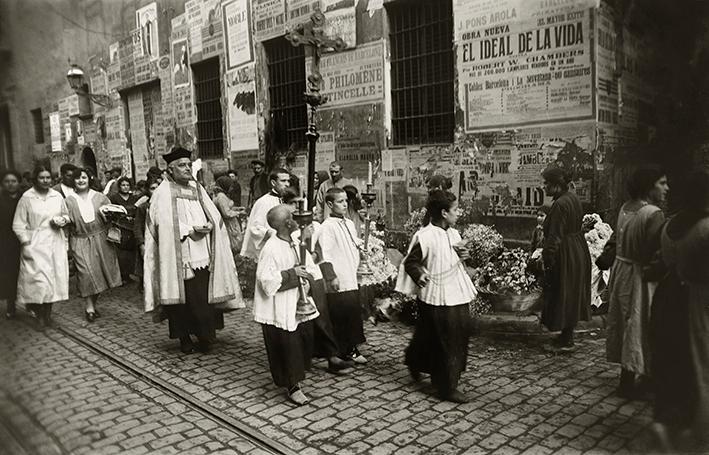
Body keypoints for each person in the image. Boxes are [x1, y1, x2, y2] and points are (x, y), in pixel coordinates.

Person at [143, 147, 244, 354]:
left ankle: (206, 335)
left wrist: (210, 224)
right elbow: (160, 225)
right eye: (182, 165)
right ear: (170, 170)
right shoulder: (163, 192)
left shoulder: (197, 188)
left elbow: (214, 214)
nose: (187, 169)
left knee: (202, 298)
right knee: (182, 301)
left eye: (189, 165)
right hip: (178, 255)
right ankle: (184, 338)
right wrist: (188, 230)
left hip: (203, 252)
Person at [395, 190, 477, 403]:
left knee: (443, 335)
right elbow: (410, 262)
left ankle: (415, 360)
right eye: (455, 210)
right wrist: (420, 274)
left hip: (457, 292)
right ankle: (445, 387)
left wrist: (466, 256)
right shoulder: (425, 236)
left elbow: (460, 260)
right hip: (436, 296)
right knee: (445, 341)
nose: (459, 213)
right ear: (443, 212)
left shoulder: (454, 234)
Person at [651, 170, 709, 452]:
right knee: (699, 361)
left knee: (671, 358)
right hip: (699, 298)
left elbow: (664, 261)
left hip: (669, 294)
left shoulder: (671, 225)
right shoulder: (705, 228)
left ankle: (668, 420)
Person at [606, 167, 669, 398]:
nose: (666, 188)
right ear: (649, 186)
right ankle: (642, 380)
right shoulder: (653, 213)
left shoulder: (625, 208)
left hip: (622, 271)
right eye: (662, 183)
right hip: (640, 275)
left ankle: (627, 378)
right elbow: (653, 252)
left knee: (627, 323)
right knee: (642, 323)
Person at [253, 204, 321, 405]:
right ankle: (292, 386)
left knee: (301, 340)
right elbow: (266, 281)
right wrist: (292, 273)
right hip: (277, 308)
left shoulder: (293, 241)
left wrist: (308, 275)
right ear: (287, 223)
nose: (297, 217)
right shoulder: (271, 248)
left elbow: (309, 266)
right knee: (286, 347)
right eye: (293, 216)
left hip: (296, 303)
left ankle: (297, 376)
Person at [13, 165, 70, 329]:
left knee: (53, 281)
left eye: (48, 178)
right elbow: (18, 224)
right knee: (39, 282)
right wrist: (26, 242)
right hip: (35, 244)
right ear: (35, 179)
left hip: (54, 242)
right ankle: (39, 315)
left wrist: (62, 221)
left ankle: (48, 315)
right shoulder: (27, 198)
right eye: (41, 178)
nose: (45, 181)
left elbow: (66, 215)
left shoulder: (57, 196)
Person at [540, 167, 591, 352]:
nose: (543, 187)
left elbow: (554, 236)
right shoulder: (573, 198)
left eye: (546, 183)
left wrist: (548, 259)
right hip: (578, 248)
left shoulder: (560, 204)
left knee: (562, 291)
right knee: (571, 292)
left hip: (565, 252)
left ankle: (566, 340)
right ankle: (566, 335)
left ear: (556, 185)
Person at [316, 188, 367, 364]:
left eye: (346, 201)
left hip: (350, 275)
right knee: (339, 315)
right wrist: (331, 277)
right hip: (339, 277)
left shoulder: (349, 223)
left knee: (352, 313)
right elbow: (324, 254)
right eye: (340, 201)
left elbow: (352, 243)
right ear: (330, 204)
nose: (345, 204)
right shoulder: (327, 227)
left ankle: (351, 348)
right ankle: (340, 350)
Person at [65, 168, 122, 322]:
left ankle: (93, 304)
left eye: (83, 177)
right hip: (80, 240)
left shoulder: (100, 197)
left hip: (101, 239)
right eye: (77, 178)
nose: (81, 181)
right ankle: (89, 307)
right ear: (73, 181)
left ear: (89, 179)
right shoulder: (68, 201)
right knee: (86, 274)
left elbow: (113, 217)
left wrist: (110, 215)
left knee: (99, 274)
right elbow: (66, 223)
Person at [241, 168, 291, 260]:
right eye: (283, 181)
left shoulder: (286, 200)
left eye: (288, 181)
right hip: (269, 250)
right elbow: (255, 228)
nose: (287, 184)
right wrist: (272, 234)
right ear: (273, 183)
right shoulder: (264, 202)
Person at [0, 171, 22, 318]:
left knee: (26, 272)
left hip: (22, 240)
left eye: (13, 181)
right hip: (5, 241)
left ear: (18, 183)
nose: (10, 184)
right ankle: (11, 304)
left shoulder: (24, 198)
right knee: (9, 273)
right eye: (7, 181)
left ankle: (32, 303)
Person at [110, 177, 138, 282]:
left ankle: (129, 273)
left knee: (131, 252)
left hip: (131, 227)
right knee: (120, 252)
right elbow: (111, 210)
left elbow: (137, 210)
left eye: (127, 185)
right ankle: (121, 275)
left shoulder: (133, 198)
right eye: (123, 185)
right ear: (119, 186)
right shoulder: (114, 198)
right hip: (120, 227)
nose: (125, 187)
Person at [134, 178, 159, 293]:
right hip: (148, 241)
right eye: (152, 188)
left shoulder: (166, 205)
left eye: (157, 188)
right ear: (148, 191)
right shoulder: (143, 207)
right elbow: (137, 227)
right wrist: (141, 244)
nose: (156, 190)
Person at [213, 175, 246, 255]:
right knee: (233, 243)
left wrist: (237, 208)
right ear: (225, 185)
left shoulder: (221, 195)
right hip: (228, 223)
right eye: (230, 186)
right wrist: (239, 213)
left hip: (228, 222)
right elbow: (227, 213)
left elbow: (226, 208)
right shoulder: (221, 197)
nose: (231, 188)